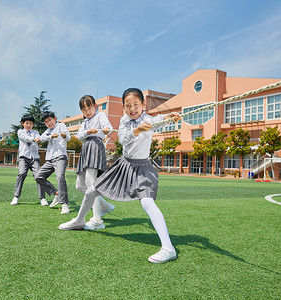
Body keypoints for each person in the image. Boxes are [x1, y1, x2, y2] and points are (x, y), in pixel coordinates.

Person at [59, 88, 180, 263]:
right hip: (123, 165)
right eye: (128, 106)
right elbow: (123, 139)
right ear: (123, 107)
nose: (132, 109)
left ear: (143, 104)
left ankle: (168, 248)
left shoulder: (148, 119)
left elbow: (160, 120)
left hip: (142, 168)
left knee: (147, 203)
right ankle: (79, 221)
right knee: (91, 191)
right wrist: (137, 130)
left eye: (136, 105)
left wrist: (171, 117)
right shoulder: (124, 120)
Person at [75, 95, 115, 230]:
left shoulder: (100, 115)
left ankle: (97, 219)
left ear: (95, 106)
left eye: (89, 107)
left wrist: (105, 130)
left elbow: (107, 127)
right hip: (86, 148)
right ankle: (105, 206)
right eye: (84, 109)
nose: (87, 111)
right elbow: (79, 135)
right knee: (80, 185)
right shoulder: (85, 122)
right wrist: (87, 131)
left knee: (91, 185)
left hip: (95, 147)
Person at [34, 111, 71, 214]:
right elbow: (41, 139)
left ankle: (64, 204)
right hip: (50, 159)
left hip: (60, 157)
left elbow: (68, 137)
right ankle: (56, 193)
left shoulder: (61, 125)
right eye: (46, 122)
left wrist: (63, 136)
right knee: (38, 177)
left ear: (54, 118)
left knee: (60, 177)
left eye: (50, 120)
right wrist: (50, 136)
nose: (49, 123)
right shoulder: (47, 131)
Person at [11, 114, 49, 206]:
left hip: (34, 158)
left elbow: (40, 139)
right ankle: (16, 197)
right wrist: (34, 139)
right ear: (22, 123)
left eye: (31, 123)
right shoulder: (20, 131)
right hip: (23, 157)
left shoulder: (36, 132)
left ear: (33, 125)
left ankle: (42, 198)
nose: (28, 125)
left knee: (38, 176)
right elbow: (26, 138)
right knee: (22, 173)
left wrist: (41, 139)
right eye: (26, 123)